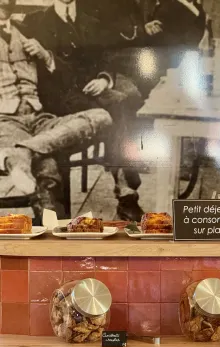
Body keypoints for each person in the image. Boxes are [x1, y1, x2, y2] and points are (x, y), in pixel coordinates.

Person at [24, 0, 145, 221]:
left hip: (90, 91)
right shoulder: (35, 22)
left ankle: (125, 189)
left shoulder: (92, 20)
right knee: (112, 112)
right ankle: (125, 188)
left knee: (119, 102)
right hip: (56, 99)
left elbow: (106, 58)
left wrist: (104, 79)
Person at [0, 0, 112, 220]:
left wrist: (46, 55)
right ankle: (51, 226)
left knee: (102, 116)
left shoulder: (28, 30)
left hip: (39, 117)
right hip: (4, 121)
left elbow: (67, 77)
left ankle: (24, 151)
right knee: (48, 167)